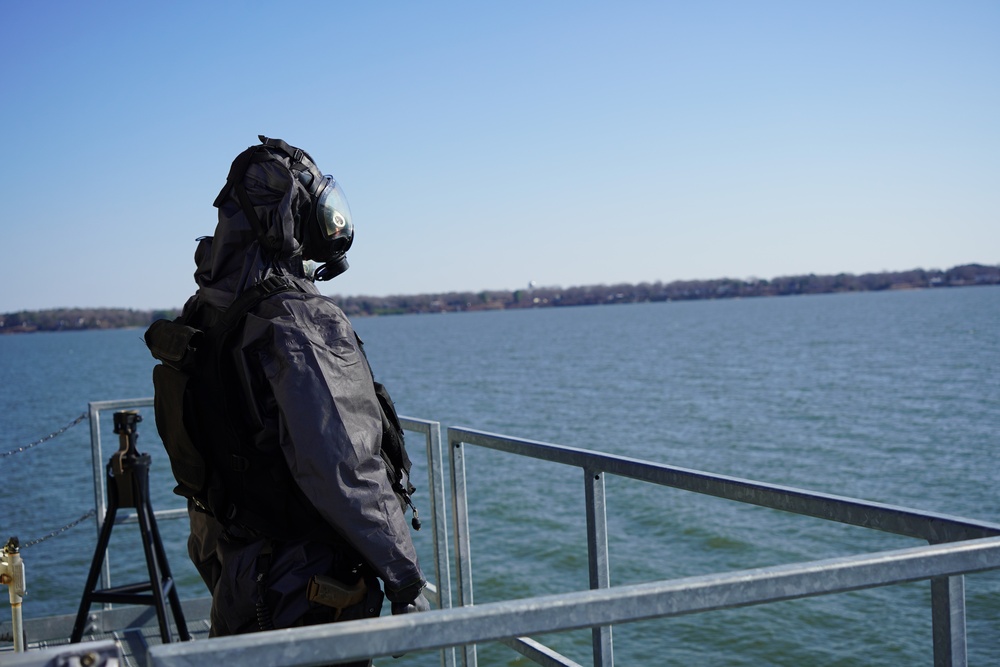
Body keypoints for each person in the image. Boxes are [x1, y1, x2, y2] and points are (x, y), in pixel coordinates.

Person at [165, 136, 428, 660]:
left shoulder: (207, 312)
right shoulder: (299, 319)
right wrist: (405, 580)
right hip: (304, 584)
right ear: (289, 217)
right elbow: (343, 465)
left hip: (237, 565)